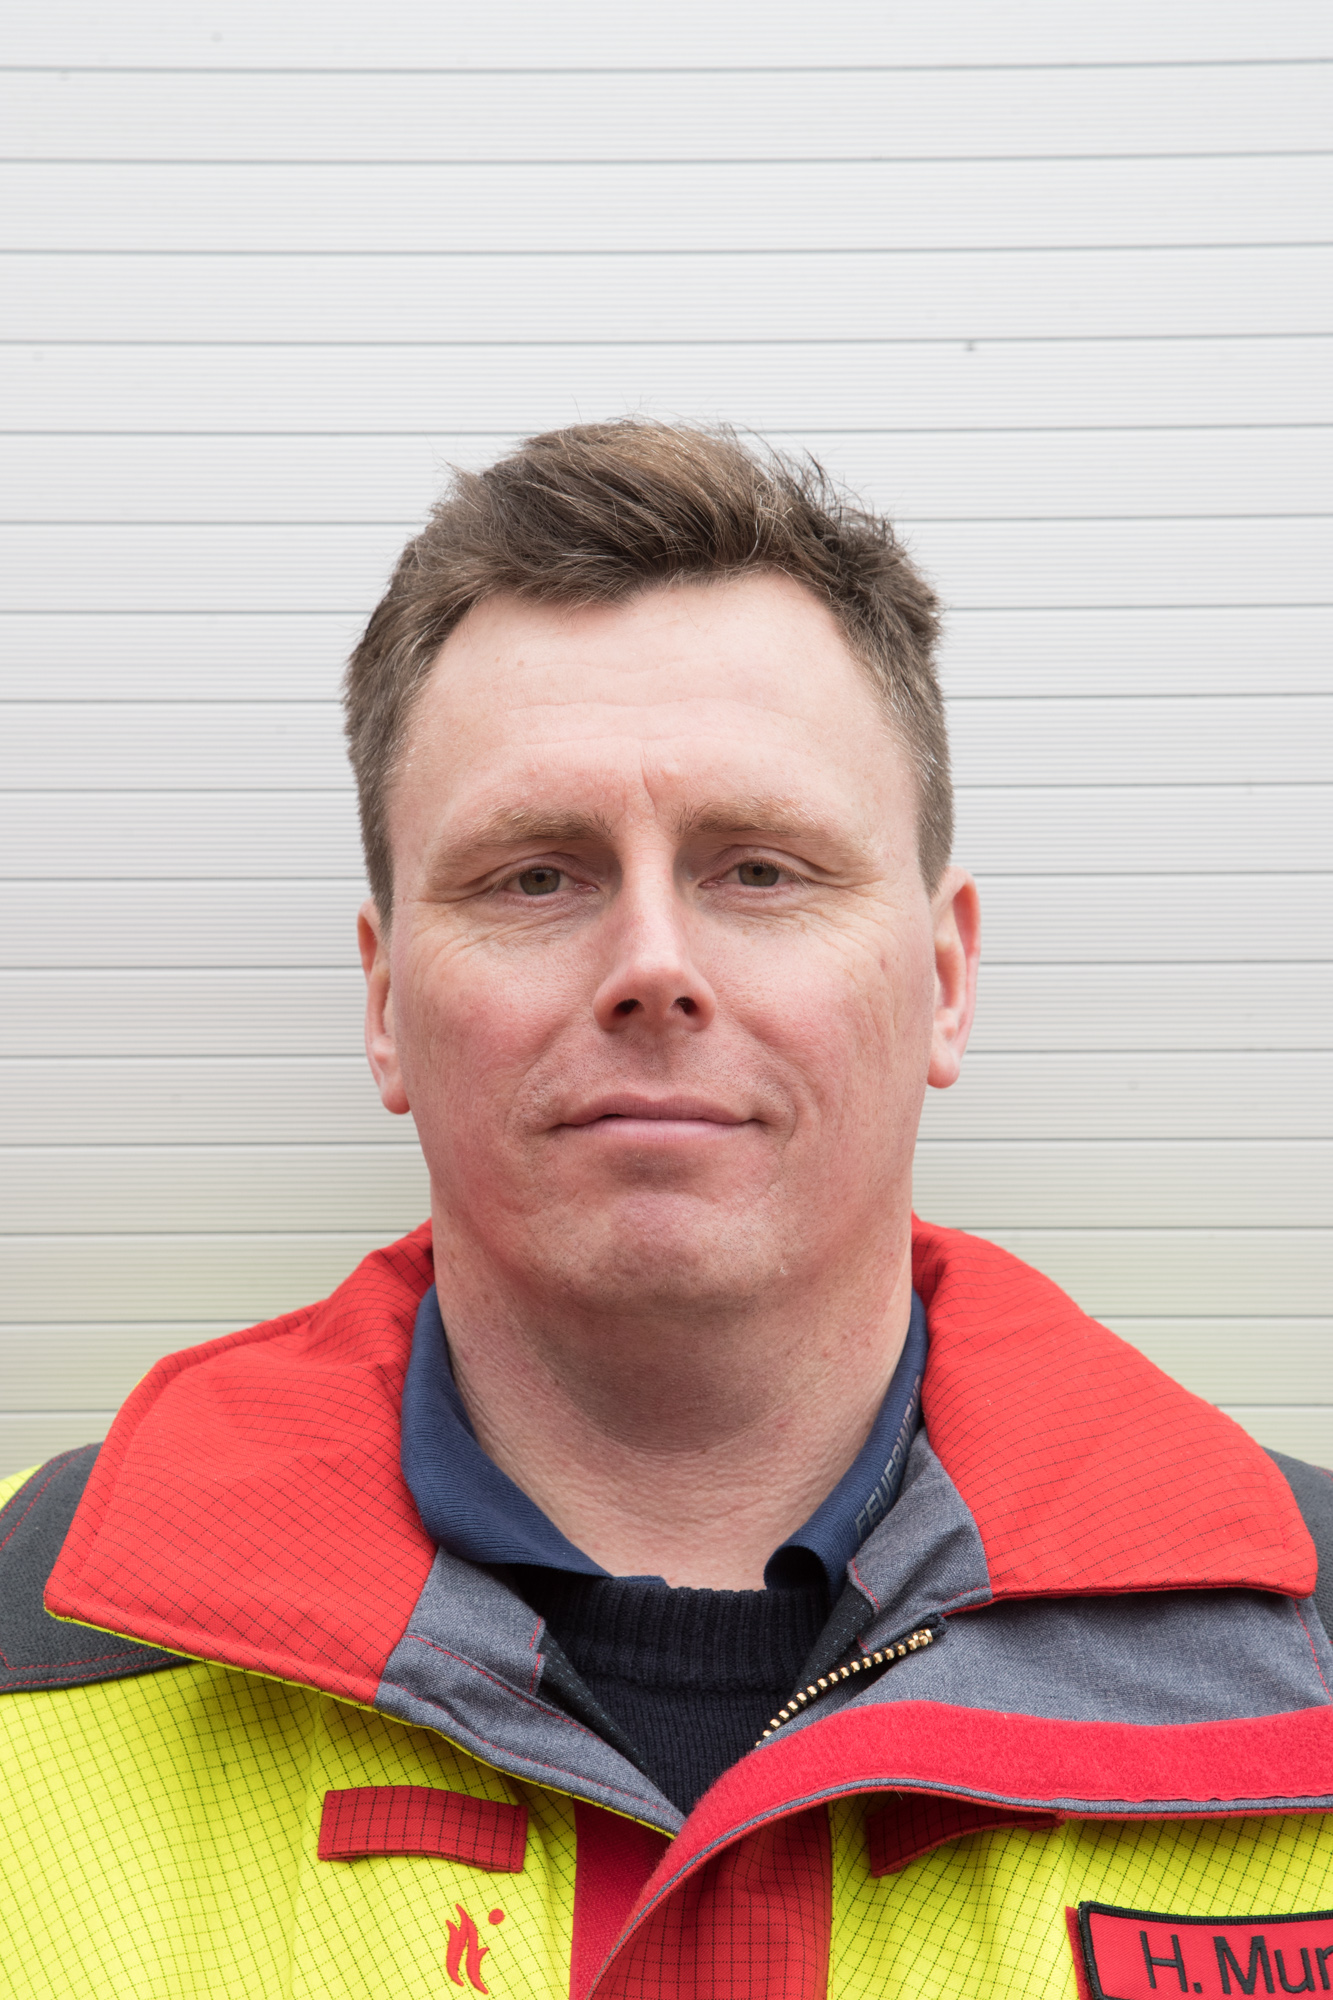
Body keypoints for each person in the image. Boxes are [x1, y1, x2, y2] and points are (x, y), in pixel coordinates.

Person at [2, 422, 1331, 2000]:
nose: (652, 964)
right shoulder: (33, 1637)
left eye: (759, 870)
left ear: (943, 981)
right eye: (534, 876)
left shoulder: (1301, 1647)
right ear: (382, 1004)